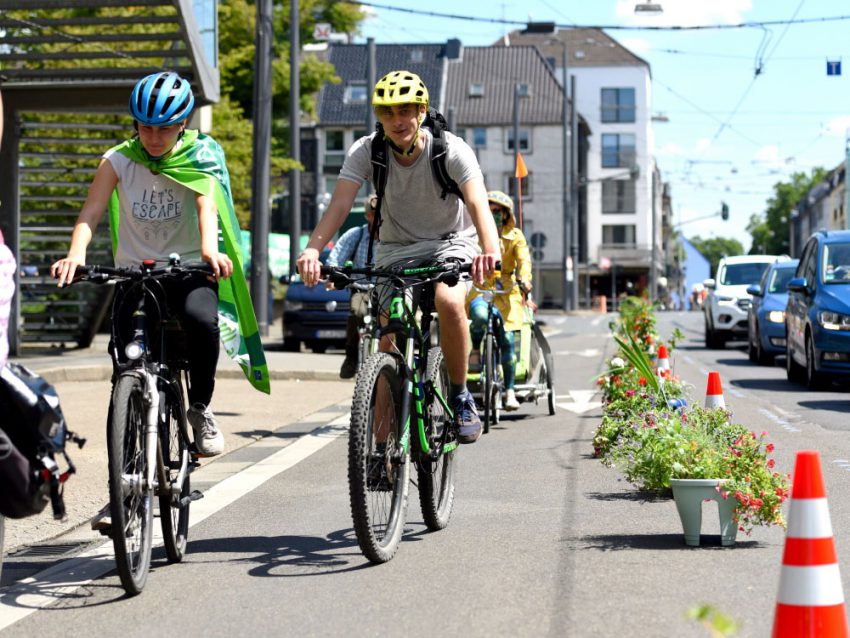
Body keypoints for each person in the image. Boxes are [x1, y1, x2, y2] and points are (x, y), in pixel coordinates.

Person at [297, 70, 499, 444]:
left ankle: (460, 395)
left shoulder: (450, 149)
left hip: (450, 242)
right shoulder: (367, 151)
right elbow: (339, 205)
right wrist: (312, 249)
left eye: (405, 110)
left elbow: (477, 203)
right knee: (388, 338)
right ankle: (378, 452)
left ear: (421, 111)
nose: (397, 120)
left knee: (449, 302)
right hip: (396, 249)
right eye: (387, 112)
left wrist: (490, 251)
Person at [50, 72, 234, 458]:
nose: (153, 137)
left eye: (164, 129)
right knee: (126, 363)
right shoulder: (118, 160)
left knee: (201, 322)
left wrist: (208, 251)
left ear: (182, 124)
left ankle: (200, 408)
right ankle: (127, 460)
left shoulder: (199, 155)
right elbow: (91, 211)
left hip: (187, 269)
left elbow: (206, 205)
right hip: (135, 274)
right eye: (145, 127)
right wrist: (76, 254)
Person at [467, 190, 532, 411]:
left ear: (505, 214)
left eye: (497, 210)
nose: (493, 214)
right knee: (478, 316)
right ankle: (476, 348)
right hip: (480, 287)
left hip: (507, 292)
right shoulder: (474, 234)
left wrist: (525, 279)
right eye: (489, 209)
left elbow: (524, 261)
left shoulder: (515, 236)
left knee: (507, 340)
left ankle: (510, 391)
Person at [325, 194, 378, 379]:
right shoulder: (357, 235)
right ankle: (351, 357)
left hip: (387, 289)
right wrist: (332, 275)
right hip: (361, 289)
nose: (379, 219)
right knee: (357, 313)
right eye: (375, 215)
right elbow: (337, 254)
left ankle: (403, 360)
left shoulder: (394, 236)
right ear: (368, 216)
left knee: (399, 320)